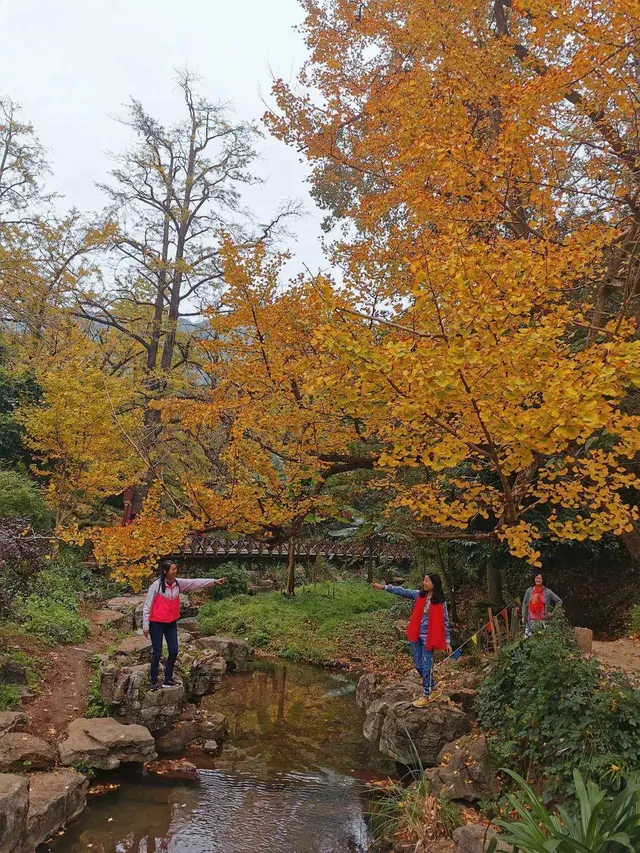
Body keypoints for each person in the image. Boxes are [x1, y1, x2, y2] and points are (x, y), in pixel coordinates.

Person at [143, 559, 226, 690]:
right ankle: (153, 681)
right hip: (157, 623)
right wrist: (146, 626)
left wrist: (213, 582)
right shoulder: (156, 585)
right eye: (173, 570)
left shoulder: (178, 584)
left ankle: (167, 679)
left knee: (174, 651)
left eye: (176, 569)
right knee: (157, 652)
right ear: (165, 572)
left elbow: (195, 583)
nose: (175, 572)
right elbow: (147, 606)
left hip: (171, 623)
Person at [373, 574, 452, 707]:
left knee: (427, 668)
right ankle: (434, 687)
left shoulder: (440, 602)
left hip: (429, 639)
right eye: (424, 580)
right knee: (419, 666)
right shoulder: (418, 595)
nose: (424, 582)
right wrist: (383, 587)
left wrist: (447, 641)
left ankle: (426, 697)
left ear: (434, 584)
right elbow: (402, 591)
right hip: (415, 636)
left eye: (427, 581)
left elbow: (445, 621)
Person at [521, 573, 563, 638]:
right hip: (530, 621)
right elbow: (524, 603)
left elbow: (559, 601)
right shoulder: (529, 590)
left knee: (541, 641)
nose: (538, 580)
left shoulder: (548, 592)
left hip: (543, 622)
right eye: (536, 578)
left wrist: (553, 613)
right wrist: (524, 616)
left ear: (543, 580)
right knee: (528, 642)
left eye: (540, 578)